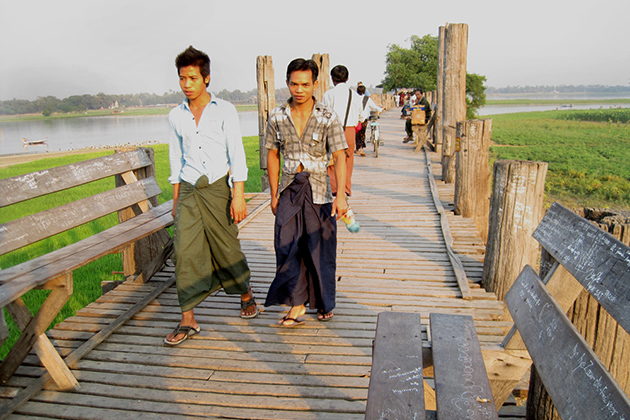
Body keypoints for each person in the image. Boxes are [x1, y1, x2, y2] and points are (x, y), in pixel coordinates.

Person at [164, 46, 258, 346]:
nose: (187, 84)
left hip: (218, 187)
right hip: (190, 189)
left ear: (206, 78)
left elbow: (237, 154)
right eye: (182, 78)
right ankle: (187, 318)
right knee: (184, 251)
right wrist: (176, 202)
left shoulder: (225, 110)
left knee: (226, 245)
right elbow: (176, 159)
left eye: (192, 78)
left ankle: (245, 292)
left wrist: (238, 194)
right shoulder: (176, 116)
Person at [264, 58, 348, 326]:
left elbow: (340, 155)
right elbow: (273, 154)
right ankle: (297, 304)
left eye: (305, 84)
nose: (299, 89)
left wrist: (342, 196)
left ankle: (323, 303)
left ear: (314, 84)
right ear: (287, 83)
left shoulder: (327, 117)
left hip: (320, 190)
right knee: (287, 247)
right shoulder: (277, 116)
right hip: (289, 189)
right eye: (294, 84)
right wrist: (274, 193)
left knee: (319, 248)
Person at [322, 64, 362, 197]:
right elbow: (361, 115)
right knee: (348, 160)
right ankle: (346, 188)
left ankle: (334, 188)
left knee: (333, 160)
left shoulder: (328, 95)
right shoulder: (354, 95)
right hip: (350, 130)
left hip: (333, 130)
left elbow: (324, 114)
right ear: (347, 78)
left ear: (332, 79)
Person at [356, 85, 382, 156]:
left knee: (356, 133)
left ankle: (356, 148)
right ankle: (361, 149)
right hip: (364, 118)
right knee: (362, 133)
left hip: (355, 118)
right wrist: (380, 109)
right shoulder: (367, 99)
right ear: (364, 91)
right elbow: (374, 107)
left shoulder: (354, 98)